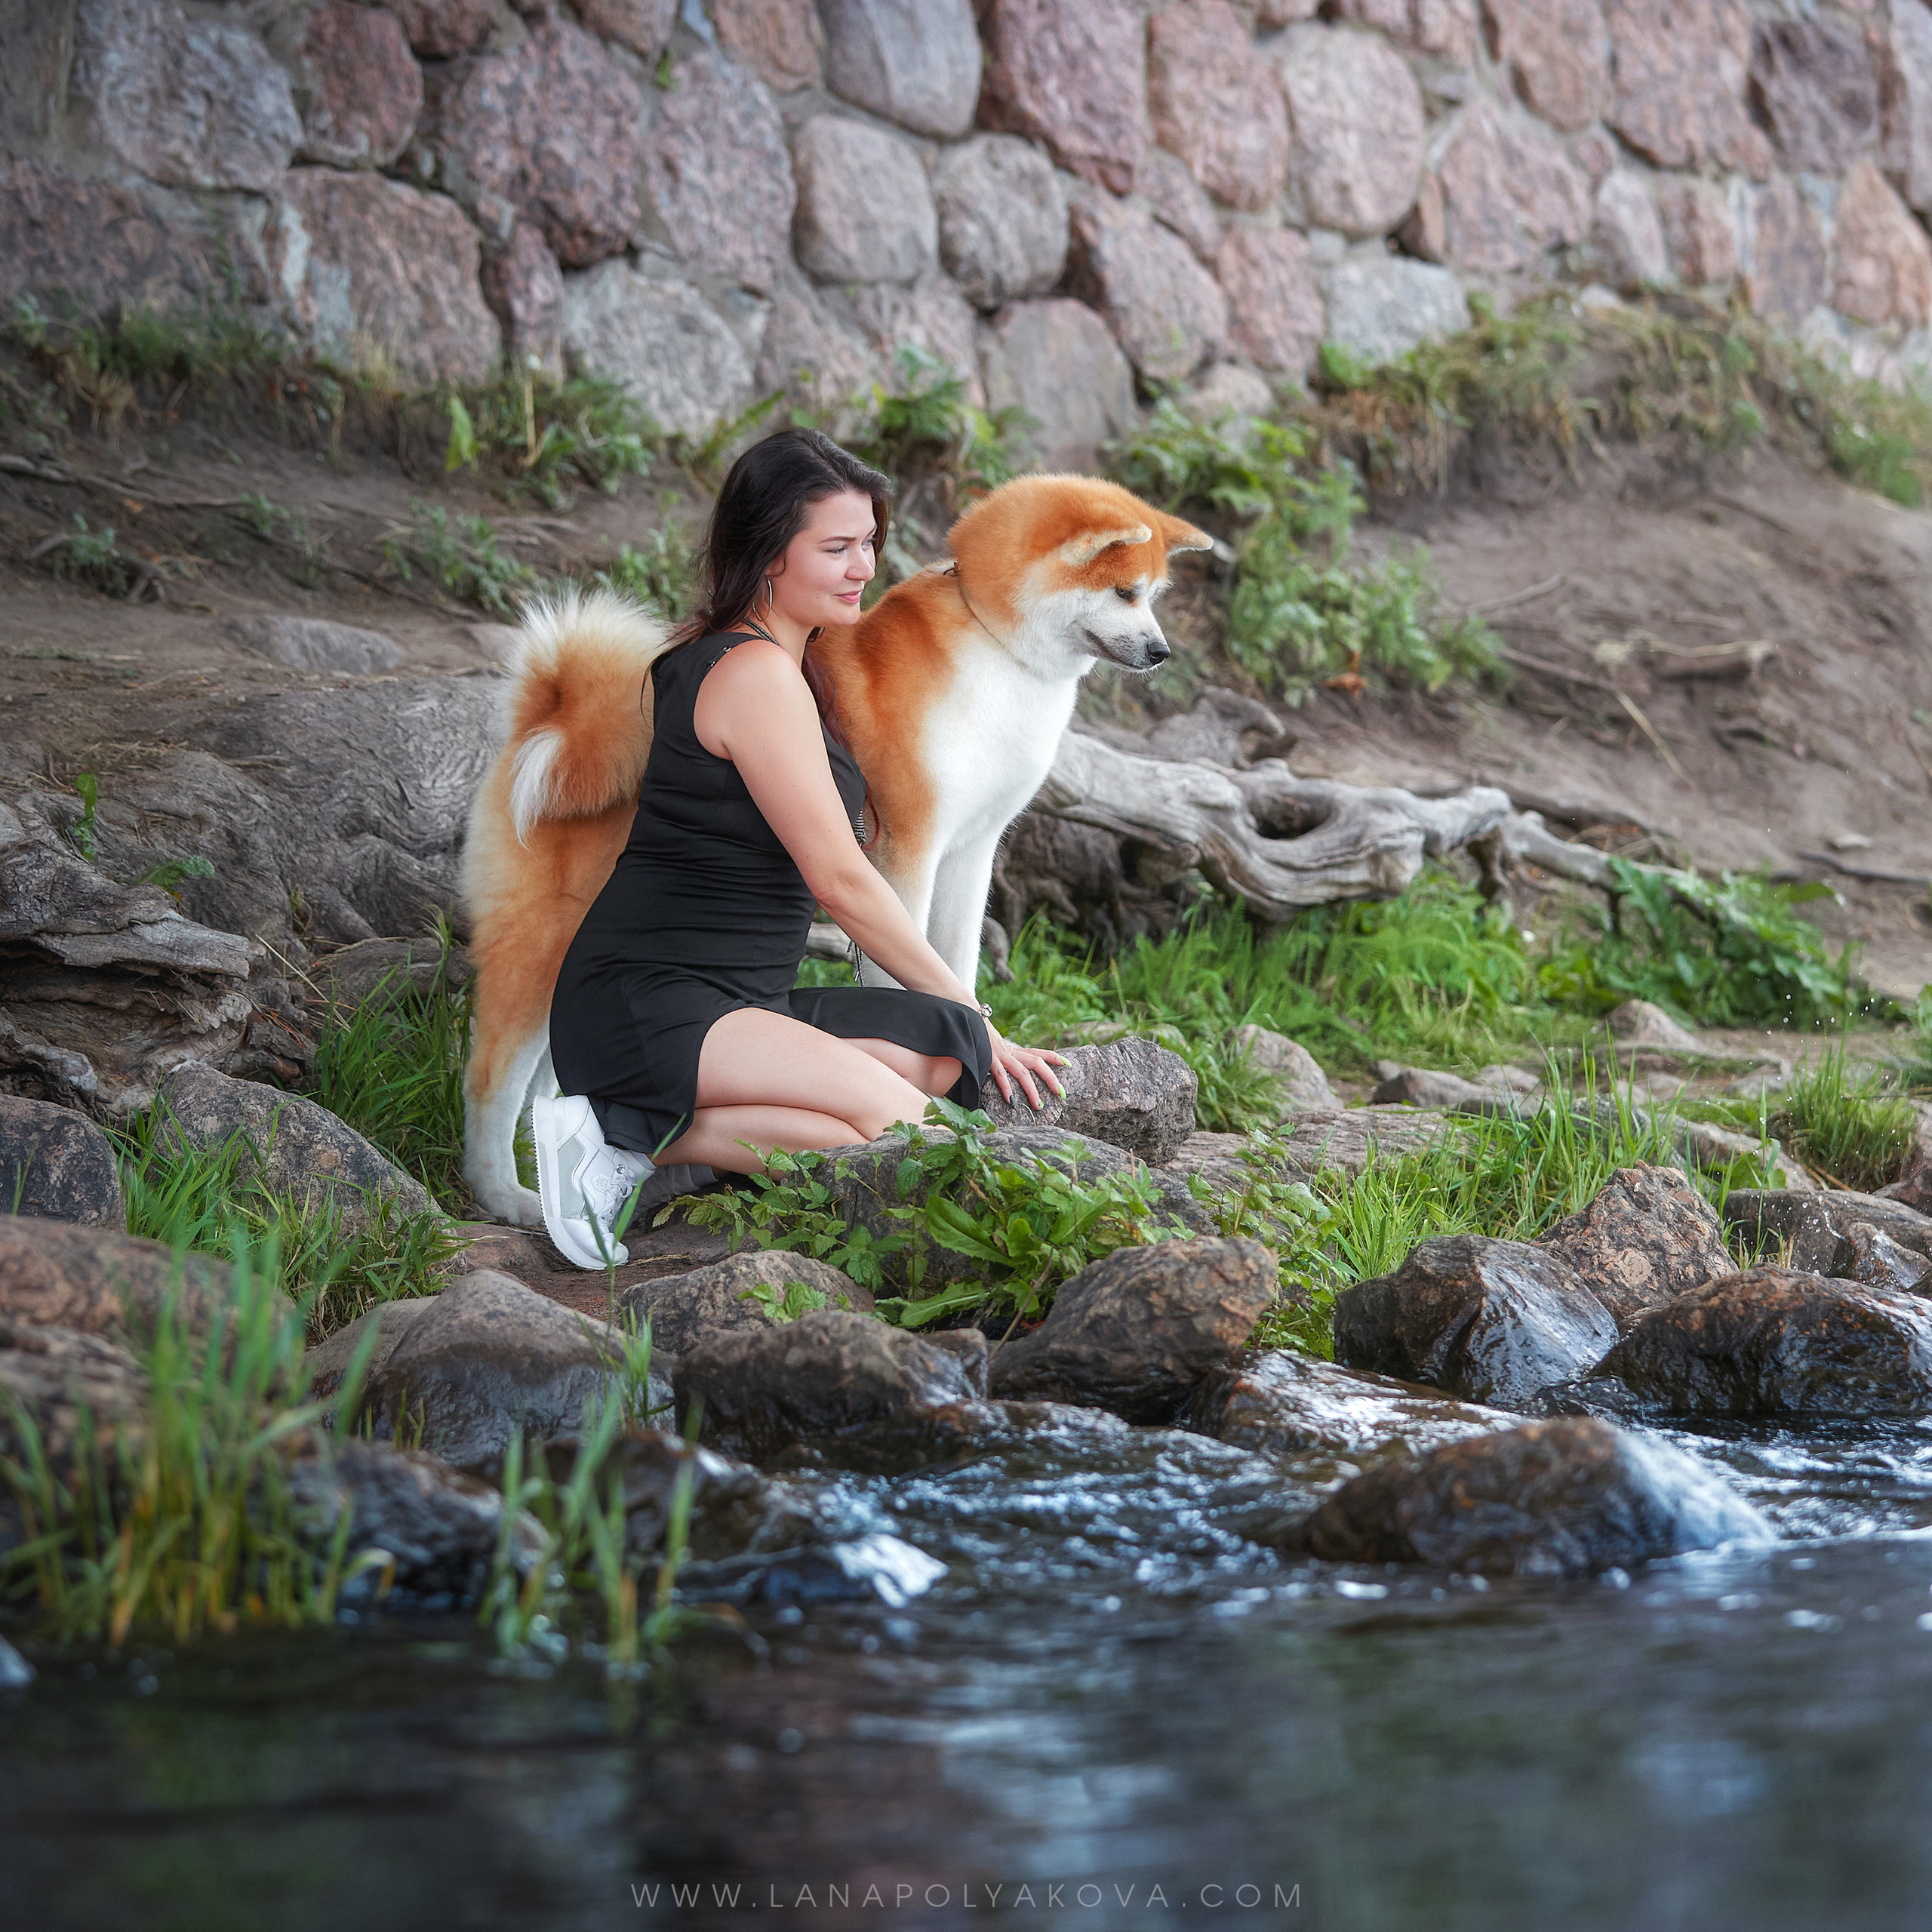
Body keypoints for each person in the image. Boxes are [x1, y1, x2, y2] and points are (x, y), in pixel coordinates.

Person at [532, 427, 1067, 1269]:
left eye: (870, 545)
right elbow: (840, 880)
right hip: (652, 1002)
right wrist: (979, 1013)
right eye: (838, 547)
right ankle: (616, 1131)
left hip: (739, 999)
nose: (864, 566)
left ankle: (641, 1136)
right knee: (903, 1127)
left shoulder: (789, 665)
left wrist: (962, 1027)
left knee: (937, 1057)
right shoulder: (752, 675)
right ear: (770, 554)